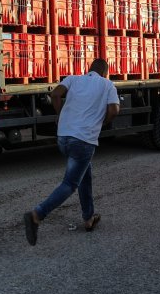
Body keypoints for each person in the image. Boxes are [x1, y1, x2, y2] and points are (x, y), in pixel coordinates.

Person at [24, 58, 120, 246]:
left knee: (85, 173)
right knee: (70, 183)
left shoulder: (73, 79)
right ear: (105, 73)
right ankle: (37, 214)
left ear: (89, 69)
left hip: (63, 137)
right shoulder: (107, 85)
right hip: (82, 140)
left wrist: (61, 114)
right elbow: (114, 110)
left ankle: (88, 217)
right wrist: (104, 121)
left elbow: (55, 94)